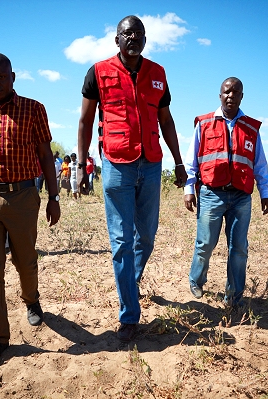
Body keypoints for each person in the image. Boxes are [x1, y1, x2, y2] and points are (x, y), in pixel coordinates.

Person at [77, 15, 187, 343]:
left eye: (138, 34)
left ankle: (130, 282)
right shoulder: (98, 72)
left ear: (145, 39)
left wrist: (179, 161)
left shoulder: (158, 74)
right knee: (122, 241)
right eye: (127, 34)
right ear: (117, 40)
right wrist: (83, 165)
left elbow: (166, 121)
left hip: (151, 164)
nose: (133, 38)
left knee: (147, 237)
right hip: (115, 165)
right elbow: (84, 121)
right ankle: (129, 314)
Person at [0, 52, 60, 370]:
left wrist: (54, 196)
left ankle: (31, 299)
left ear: (13, 77)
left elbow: (46, 155)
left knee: (25, 260)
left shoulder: (34, 109)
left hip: (22, 197)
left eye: (0, 77)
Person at [183, 77, 268, 308]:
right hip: (211, 193)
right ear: (219, 95)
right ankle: (197, 280)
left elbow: (259, 164)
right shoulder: (203, 124)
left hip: (241, 196)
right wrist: (188, 188)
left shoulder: (251, 129)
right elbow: (192, 160)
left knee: (239, 248)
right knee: (205, 243)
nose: (231, 96)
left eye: (236, 92)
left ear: (242, 97)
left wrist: (265, 193)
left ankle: (233, 296)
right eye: (226, 92)